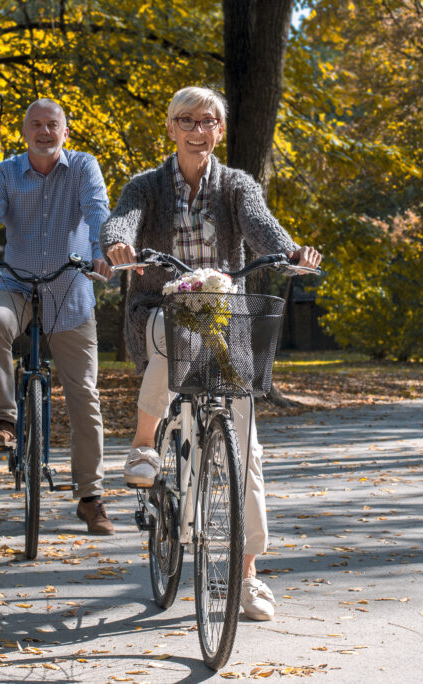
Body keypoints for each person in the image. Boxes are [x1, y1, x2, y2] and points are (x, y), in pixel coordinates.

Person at [102, 86, 321, 621]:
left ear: (220, 130)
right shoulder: (146, 186)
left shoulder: (236, 185)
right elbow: (120, 220)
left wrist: (289, 253)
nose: (199, 130)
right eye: (187, 121)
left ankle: (247, 575)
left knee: (246, 449)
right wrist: (118, 245)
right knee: (176, 334)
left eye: (208, 121)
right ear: (172, 128)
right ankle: (144, 444)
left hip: (225, 321)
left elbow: (261, 224)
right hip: (158, 309)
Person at [0, 98, 116, 536]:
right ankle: (4, 420)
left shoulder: (84, 167)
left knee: (85, 396)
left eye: (53, 125)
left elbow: (97, 210)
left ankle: (90, 497)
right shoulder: (4, 172)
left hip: (70, 289)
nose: (44, 131)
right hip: (17, 284)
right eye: (36, 125)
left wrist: (103, 253)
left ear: (66, 131)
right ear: (24, 131)